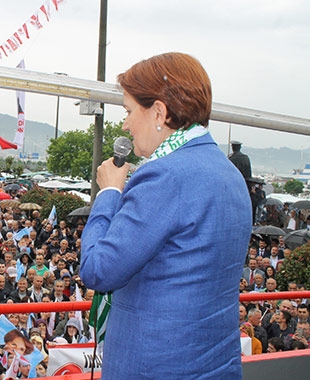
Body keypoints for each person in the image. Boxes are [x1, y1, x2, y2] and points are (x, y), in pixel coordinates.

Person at [80, 52, 252, 379]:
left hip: (156, 367)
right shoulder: (231, 175)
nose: (126, 124)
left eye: (130, 111)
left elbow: (98, 270)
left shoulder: (163, 177)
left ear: (159, 111)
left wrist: (108, 194)